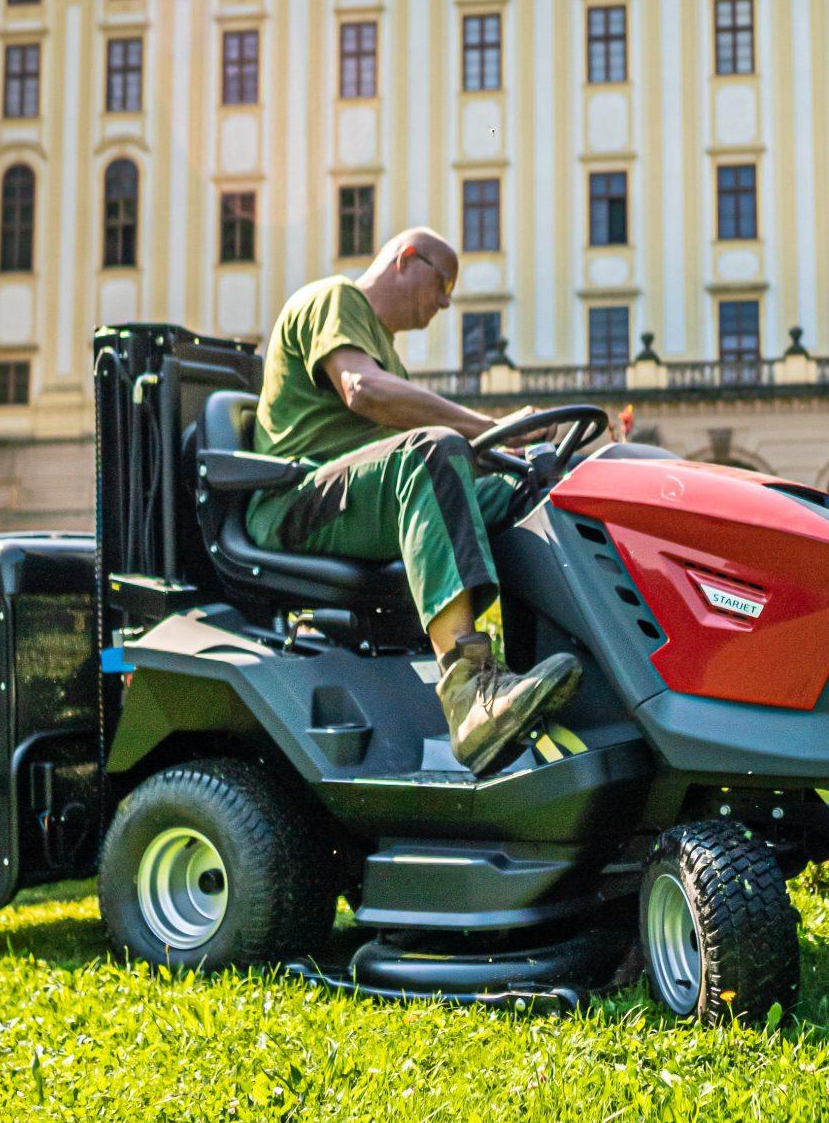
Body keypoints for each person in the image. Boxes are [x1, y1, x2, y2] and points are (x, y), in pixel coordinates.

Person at [244, 227, 583, 776]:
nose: (447, 301)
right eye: (443, 281)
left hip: (361, 501)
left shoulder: (387, 354)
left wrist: (519, 453)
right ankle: (470, 695)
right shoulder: (334, 299)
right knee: (434, 450)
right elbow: (365, 390)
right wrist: (489, 427)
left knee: (529, 480)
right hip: (294, 504)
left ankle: (541, 667)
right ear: (405, 259)